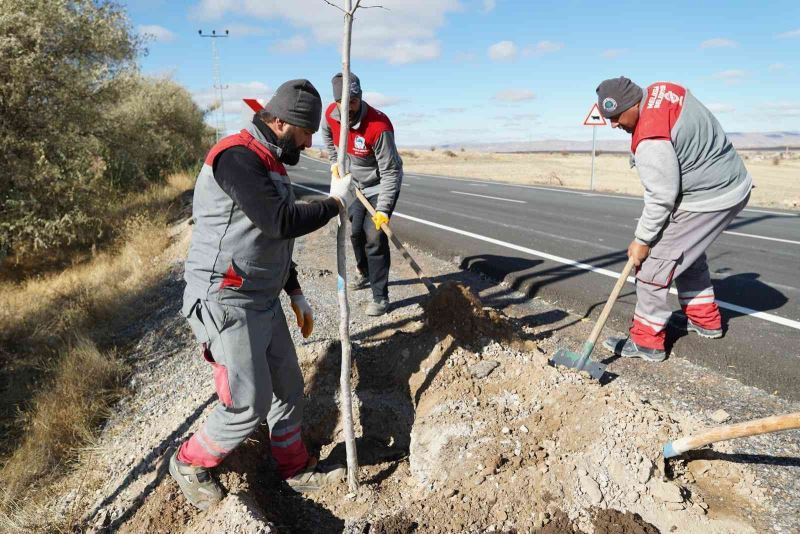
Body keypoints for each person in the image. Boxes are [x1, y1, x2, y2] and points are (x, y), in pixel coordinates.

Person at [170, 79, 356, 510]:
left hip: (261, 297)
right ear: (279, 121)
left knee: (289, 387)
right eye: (306, 132)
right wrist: (334, 204)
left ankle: (293, 467)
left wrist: (293, 290)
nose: (310, 142)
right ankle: (188, 462)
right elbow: (278, 221)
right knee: (246, 404)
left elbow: (266, 241)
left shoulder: (271, 160)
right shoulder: (236, 157)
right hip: (224, 298)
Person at [595, 77, 752, 362]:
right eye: (609, 119)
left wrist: (642, 241)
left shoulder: (650, 137)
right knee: (684, 254)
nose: (614, 125)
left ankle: (647, 341)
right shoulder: (664, 90)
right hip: (731, 182)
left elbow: (662, 196)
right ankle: (705, 320)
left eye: (616, 117)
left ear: (632, 104)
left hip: (708, 195)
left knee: (655, 265)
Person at [321, 73, 404, 316]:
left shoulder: (378, 126)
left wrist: (383, 210)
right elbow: (326, 134)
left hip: (379, 185)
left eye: (354, 101)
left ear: (360, 97)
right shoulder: (330, 115)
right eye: (343, 102)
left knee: (374, 236)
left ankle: (380, 296)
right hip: (354, 185)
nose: (348, 108)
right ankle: (364, 272)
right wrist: (335, 161)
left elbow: (391, 171)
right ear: (336, 101)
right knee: (355, 233)